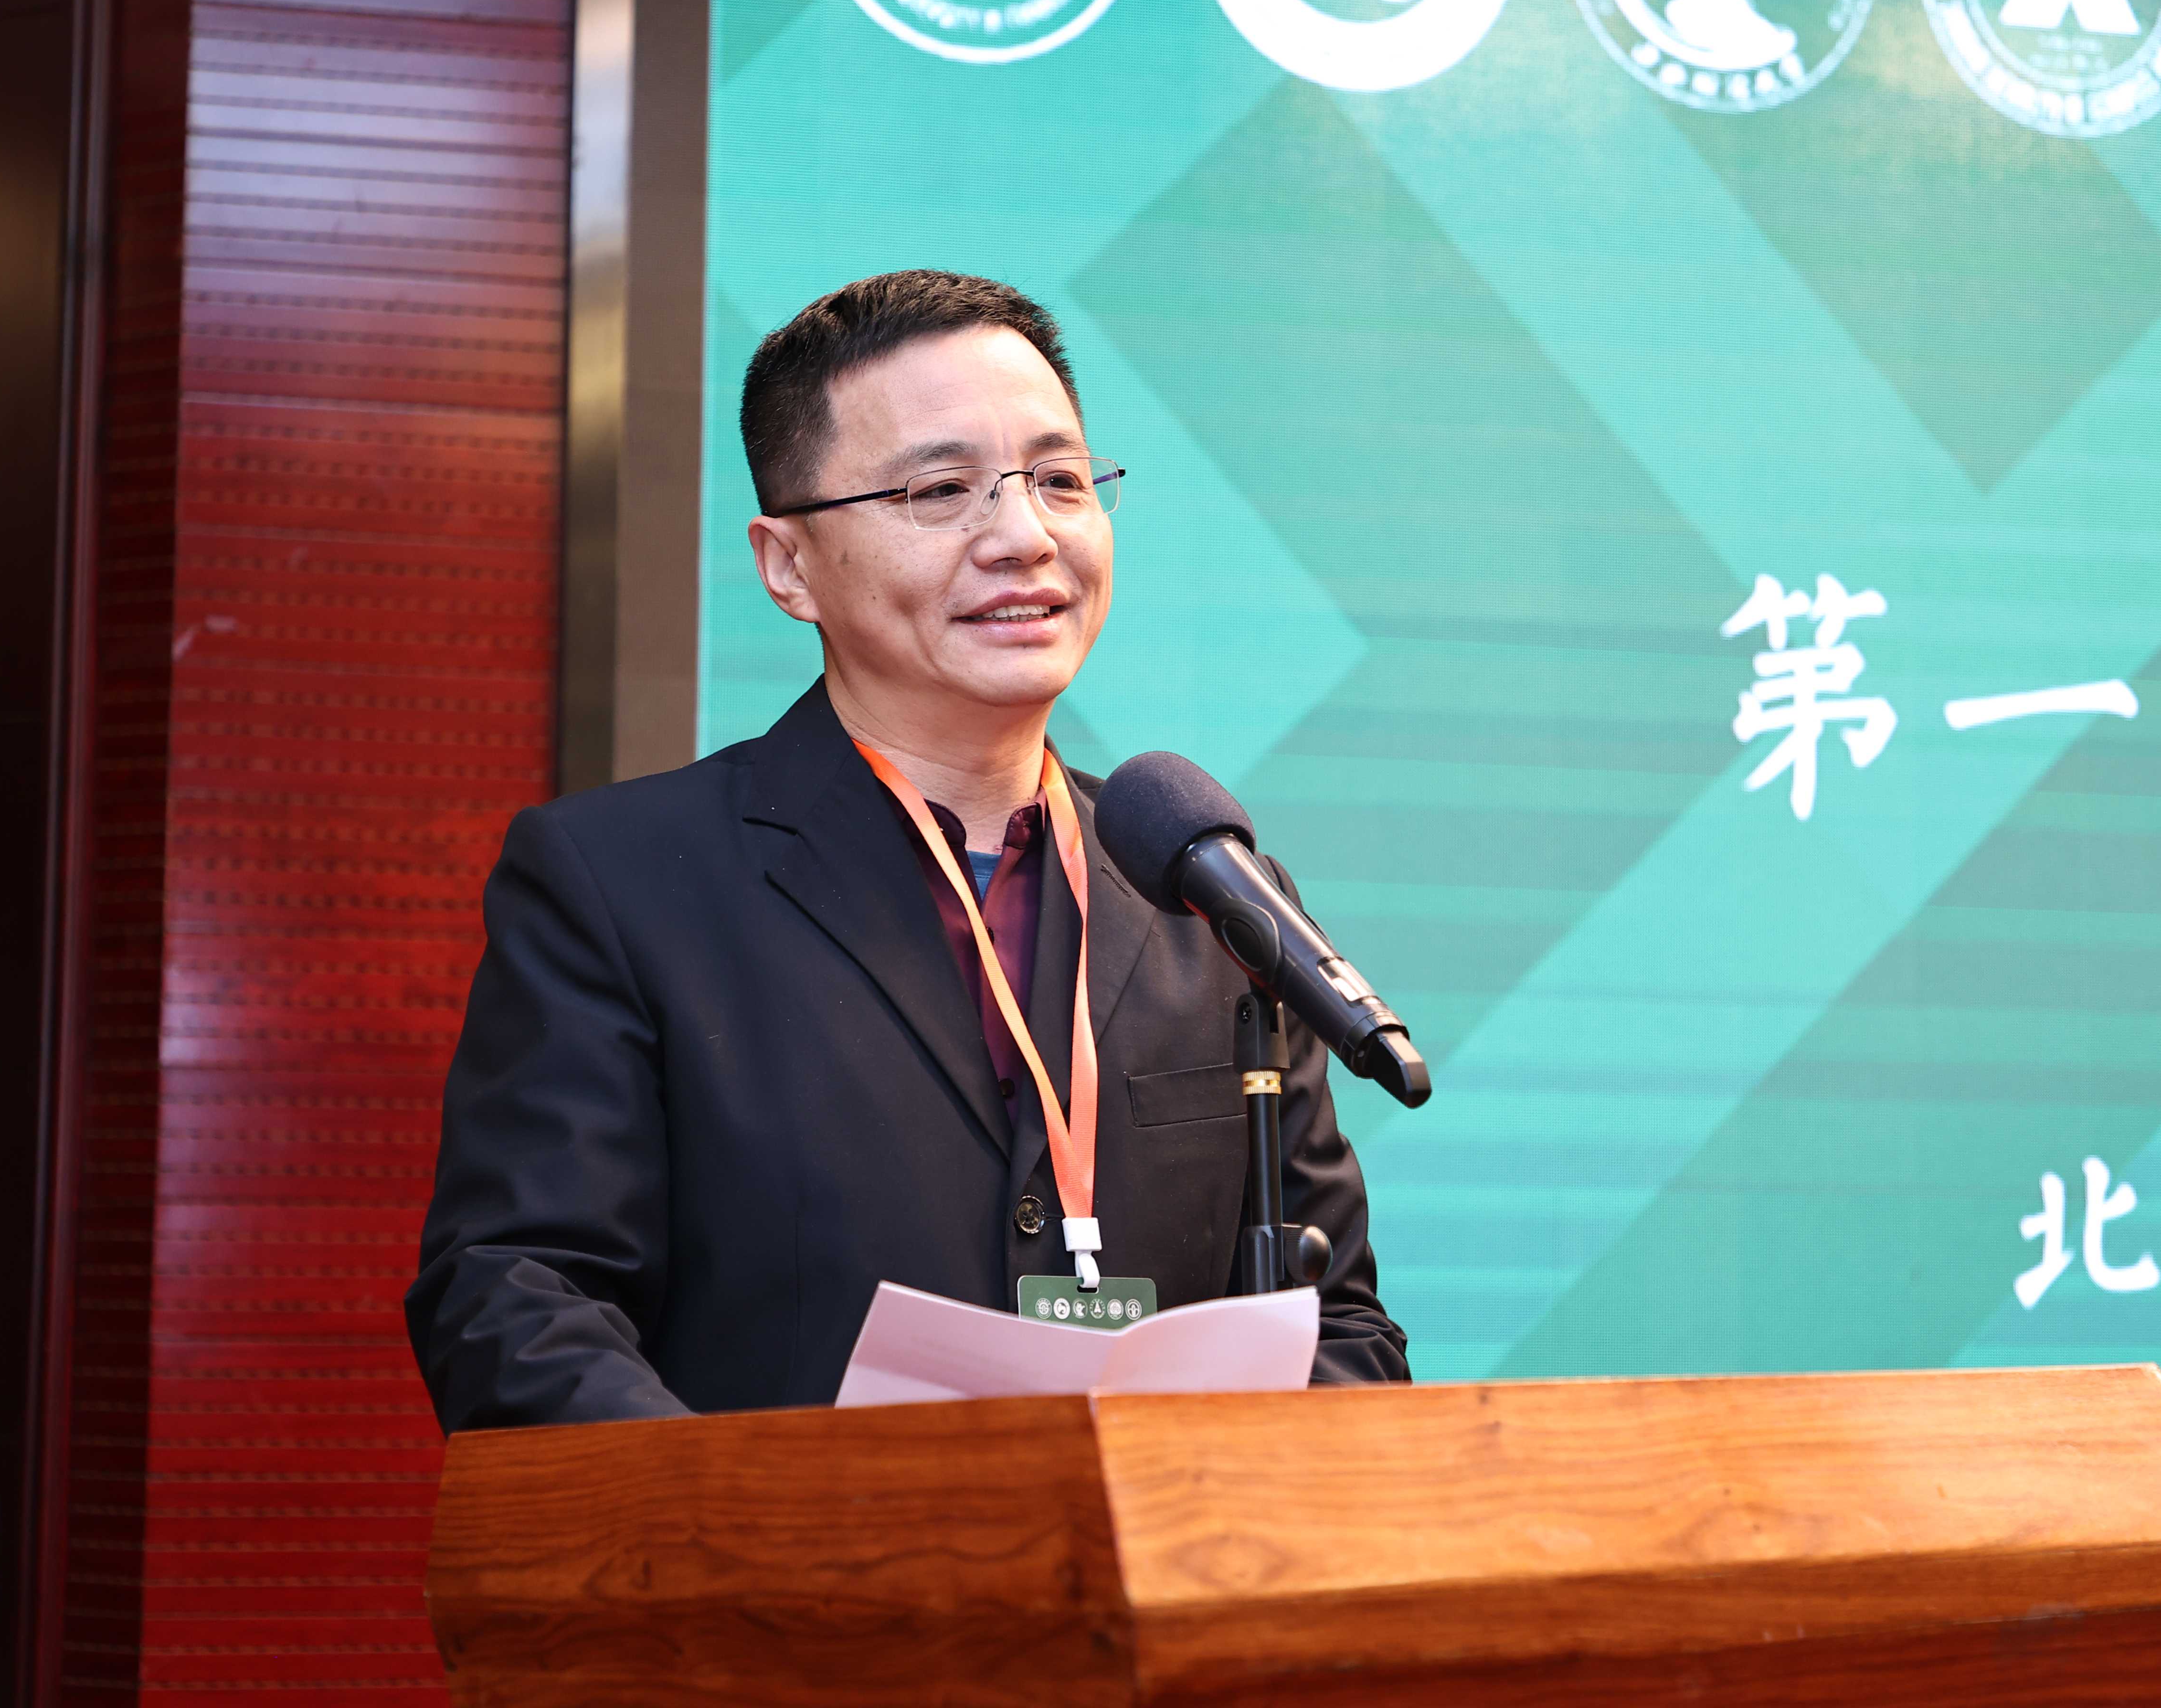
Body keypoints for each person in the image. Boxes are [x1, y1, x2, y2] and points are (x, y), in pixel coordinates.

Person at [405, 270, 1409, 1430]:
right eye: (942, 491)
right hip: (787, 1546)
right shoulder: (619, 884)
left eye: (1059, 481)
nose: (1024, 537)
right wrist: (766, 1521)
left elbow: (1338, 1323)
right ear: (789, 567)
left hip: (1151, 1542)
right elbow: (520, 1299)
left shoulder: (1210, 897)